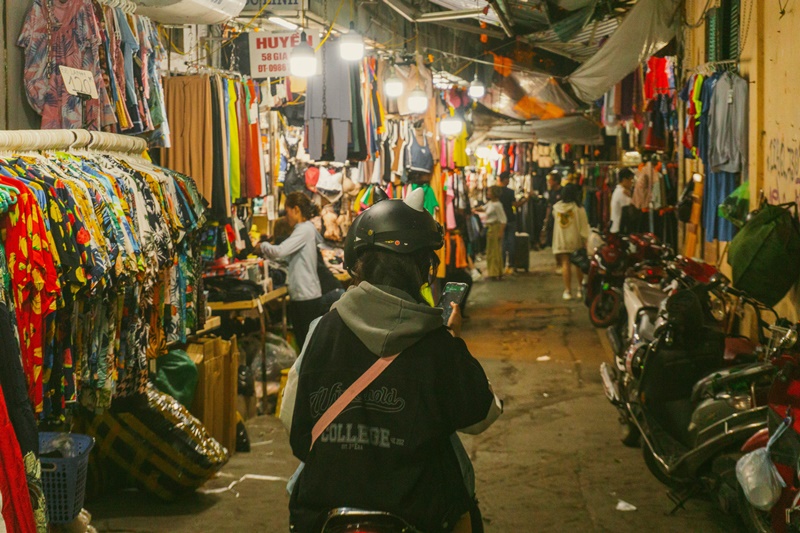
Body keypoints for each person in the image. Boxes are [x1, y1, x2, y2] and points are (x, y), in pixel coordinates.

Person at [280, 188, 502, 533]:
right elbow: (482, 413)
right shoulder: (437, 342)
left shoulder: (320, 331)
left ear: (357, 263)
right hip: (418, 513)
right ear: (424, 269)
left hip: (324, 513)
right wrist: (454, 340)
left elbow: (292, 419)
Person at [259, 192, 324, 348]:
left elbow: (280, 251)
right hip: (304, 295)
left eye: (287, 212)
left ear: (296, 210)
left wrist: (262, 245)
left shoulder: (304, 229)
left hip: (306, 297)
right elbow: (285, 257)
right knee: (305, 345)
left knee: (307, 346)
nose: (286, 217)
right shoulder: (305, 229)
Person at [552, 184, 589, 301]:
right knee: (578, 264)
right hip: (575, 239)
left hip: (561, 239)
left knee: (565, 264)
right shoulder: (579, 209)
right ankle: (579, 289)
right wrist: (585, 240)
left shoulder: (556, 208)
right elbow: (584, 227)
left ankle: (567, 291)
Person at [496, 172, 529, 274]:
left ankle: (501, 265)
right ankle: (510, 265)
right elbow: (516, 205)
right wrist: (526, 199)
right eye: (508, 179)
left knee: (502, 243)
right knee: (510, 243)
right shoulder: (509, 192)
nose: (509, 181)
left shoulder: (495, 191)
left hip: (499, 221)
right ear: (505, 179)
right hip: (509, 219)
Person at [480, 186, 507, 280]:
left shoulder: (497, 205)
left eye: (489, 191)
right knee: (492, 251)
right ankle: (496, 272)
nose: (487, 193)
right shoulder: (491, 203)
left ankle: (494, 273)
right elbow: (483, 209)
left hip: (495, 228)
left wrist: (501, 232)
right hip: (490, 228)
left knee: (494, 252)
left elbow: (503, 220)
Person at [544, 170, 563, 272]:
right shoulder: (551, 192)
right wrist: (546, 219)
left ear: (556, 181)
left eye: (550, 180)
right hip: (553, 220)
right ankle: (558, 263)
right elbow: (549, 206)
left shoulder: (563, 192)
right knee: (554, 242)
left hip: (562, 221)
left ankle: (562, 263)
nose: (549, 182)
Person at [610, 168, 634, 234]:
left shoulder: (618, 190)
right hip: (620, 229)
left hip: (616, 227)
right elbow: (628, 212)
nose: (632, 182)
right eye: (630, 179)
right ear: (624, 180)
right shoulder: (622, 192)